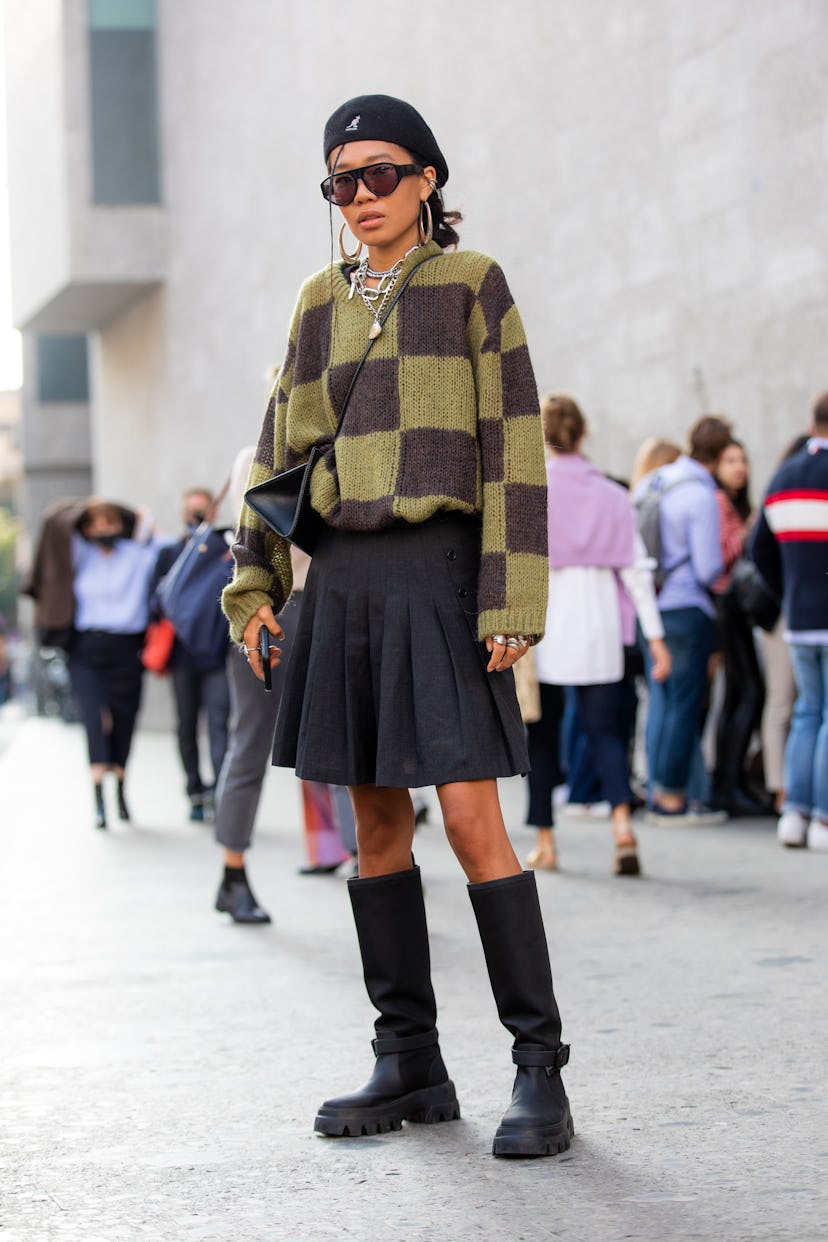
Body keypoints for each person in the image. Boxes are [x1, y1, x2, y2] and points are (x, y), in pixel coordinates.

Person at [222, 94, 572, 1159]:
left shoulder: (473, 283)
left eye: (382, 173)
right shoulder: (317, 300)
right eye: (343, 181)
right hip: (343, 585)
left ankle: (538, 1068)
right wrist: (255, 583)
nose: (362, 196)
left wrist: (514, 599)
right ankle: (409, 1058)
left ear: (428, 180)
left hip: (441, 573)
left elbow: (515, 444)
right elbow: (278, 448)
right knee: (377, 827)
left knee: (470, 818)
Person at [527, 396, 670, 875]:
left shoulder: (532, 490)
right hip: (601, 625)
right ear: (583, 434)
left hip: (546, 624)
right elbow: (635, 573)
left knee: (542, 739)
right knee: (607, 733)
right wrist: (655, 639)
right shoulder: (612, 494)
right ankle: (623, 828)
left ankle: (546, 842)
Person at [633, 417, 730, 824]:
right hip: (686, 608)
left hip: (650, 608)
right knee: (684, 704)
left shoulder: (651, 483)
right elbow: (708, 568)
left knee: (661, 701)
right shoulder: (700, 494)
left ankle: (658, 787)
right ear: (721, 453)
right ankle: (671, 799)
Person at [751, 393, 828, 850]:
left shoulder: (785, 475)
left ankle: (794, 815)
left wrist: (789, 595)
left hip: (798, 619)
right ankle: (823, 820)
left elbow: (759, 549)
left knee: (806, 714)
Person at [68, 500, 164, 827]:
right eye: (95, 524)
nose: (103, 530)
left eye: (109, 523)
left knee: (124, 719)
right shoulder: (81, 557)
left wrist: (137, 515)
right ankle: (98, 800)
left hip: (126, 649)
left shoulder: (137, 555)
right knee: (95, 719)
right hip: (86, 650)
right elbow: (58, 527)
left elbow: (160, 540)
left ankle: (121, 788)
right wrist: (82, 511)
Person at [150, 488, 231, 822]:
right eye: (191, 511)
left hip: (215, 652)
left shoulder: (225, 550)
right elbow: (154, 602)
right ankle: (195, 790)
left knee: (218, 724)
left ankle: (222, 793)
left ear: (213, 513)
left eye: (202, 510)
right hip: (182, 654)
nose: (196, 516)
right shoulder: (171, 553)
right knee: (186, 725)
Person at [710, 440, 769, 816]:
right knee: (748, 693)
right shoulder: (718, 502)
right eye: (730, 460)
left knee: (739, 694)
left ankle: (732, 781)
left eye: (743, 459)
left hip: (737, 608)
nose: (739, 467)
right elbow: (721, 555)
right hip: (725, 606)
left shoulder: (735, 503)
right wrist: (748, 530)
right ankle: (728, 783)